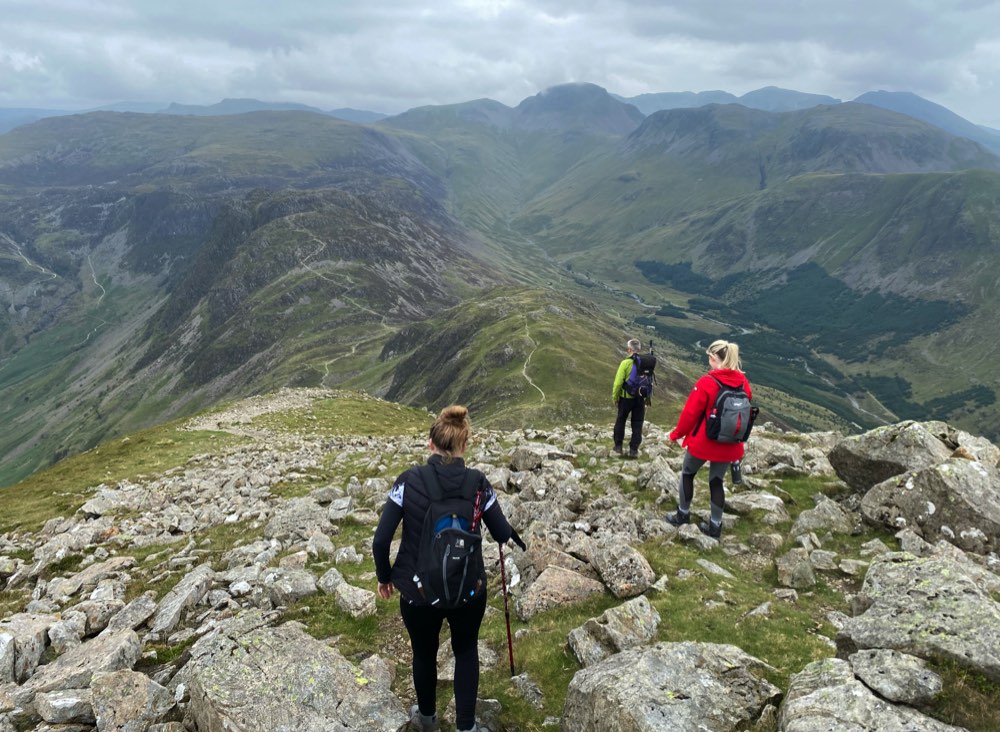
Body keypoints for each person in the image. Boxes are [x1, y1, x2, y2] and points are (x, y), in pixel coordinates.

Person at [372, 405, 522, 732]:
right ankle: (466, 727)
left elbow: (381, 541)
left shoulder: (407, 482)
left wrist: (385, 577)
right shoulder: (479, 483)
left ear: (430, 444)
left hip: (417, 589)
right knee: (466, 651)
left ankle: (426, 719)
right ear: (465, 445)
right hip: (468, 588)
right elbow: (500, 532)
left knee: (423, 654)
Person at [665, 339, 752, 539]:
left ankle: (683, 514)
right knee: (716, 481)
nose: (708, 362)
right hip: (730, 444)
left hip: (705, 443)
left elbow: (690, 414)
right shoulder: (743, 383)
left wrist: (676, 434)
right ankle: (715, 526)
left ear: (715, 358)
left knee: (687, 473)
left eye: (710, 358)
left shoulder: (707, 382)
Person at [611, 338, 645, 458]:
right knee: (637, 423)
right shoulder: (645, 362)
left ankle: (618, 447)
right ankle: (633, 450)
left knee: (621, 420)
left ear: (629, 349)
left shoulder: (625, 363)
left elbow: (618, 383)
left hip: (626, 398)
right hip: (641, 399)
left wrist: (615, 397)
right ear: (639, 349)